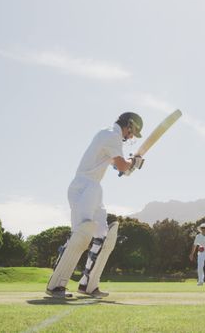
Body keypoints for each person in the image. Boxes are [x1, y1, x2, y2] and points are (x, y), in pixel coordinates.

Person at [46, 112, 145, 298]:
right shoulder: (112, 135)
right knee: (82, 233)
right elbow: (123, 166)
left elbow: (119, 167)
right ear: (129, 125)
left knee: (102, 235)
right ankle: (56, 285)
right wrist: (133, 162)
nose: (131, 137)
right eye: (133, 133)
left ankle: (87, 284)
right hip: (84, 186)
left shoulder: (109, 136)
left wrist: (131, 164)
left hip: (94, 187)